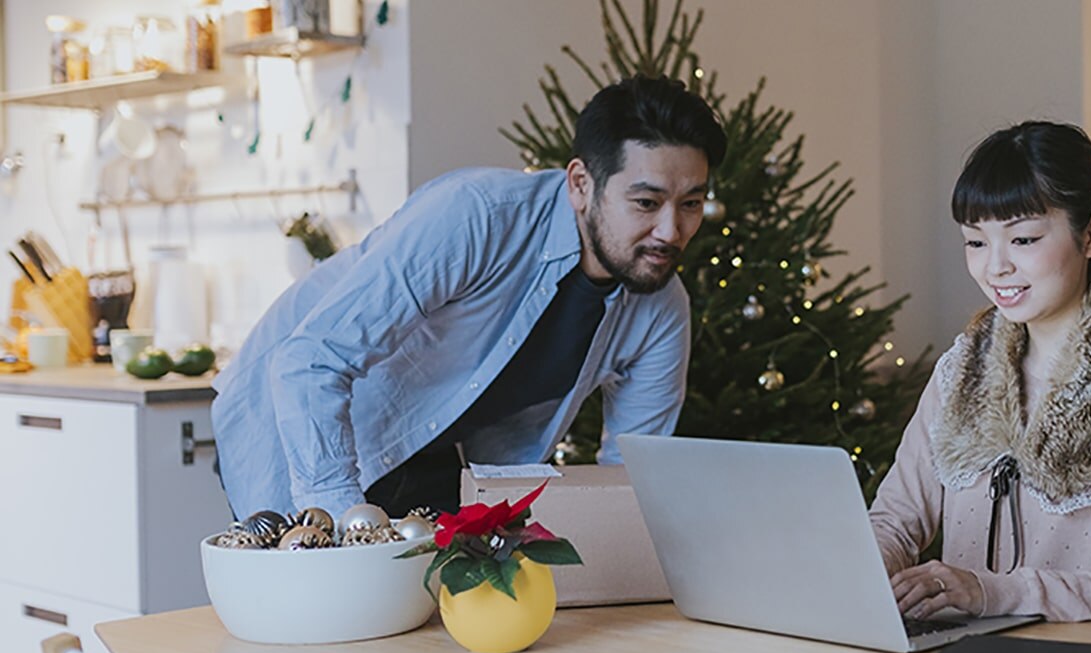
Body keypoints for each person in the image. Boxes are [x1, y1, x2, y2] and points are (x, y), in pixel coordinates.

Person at [211, 76, 727, 521]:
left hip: (432, 449)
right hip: (295, 420)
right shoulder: (476, 216)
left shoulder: (660, 308)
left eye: (691, 204)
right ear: (580, 185)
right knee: (319, 618)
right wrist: (347, 530)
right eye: (646, 202)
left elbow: (628, 477)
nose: (670, 230)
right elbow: (311, 361)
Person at [869, 121, 1091, 630]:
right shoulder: (961, 369)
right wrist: (870, 572)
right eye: (975, 242)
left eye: (1024, 239)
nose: (995, 268)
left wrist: (995, 592)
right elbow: (894, 521)